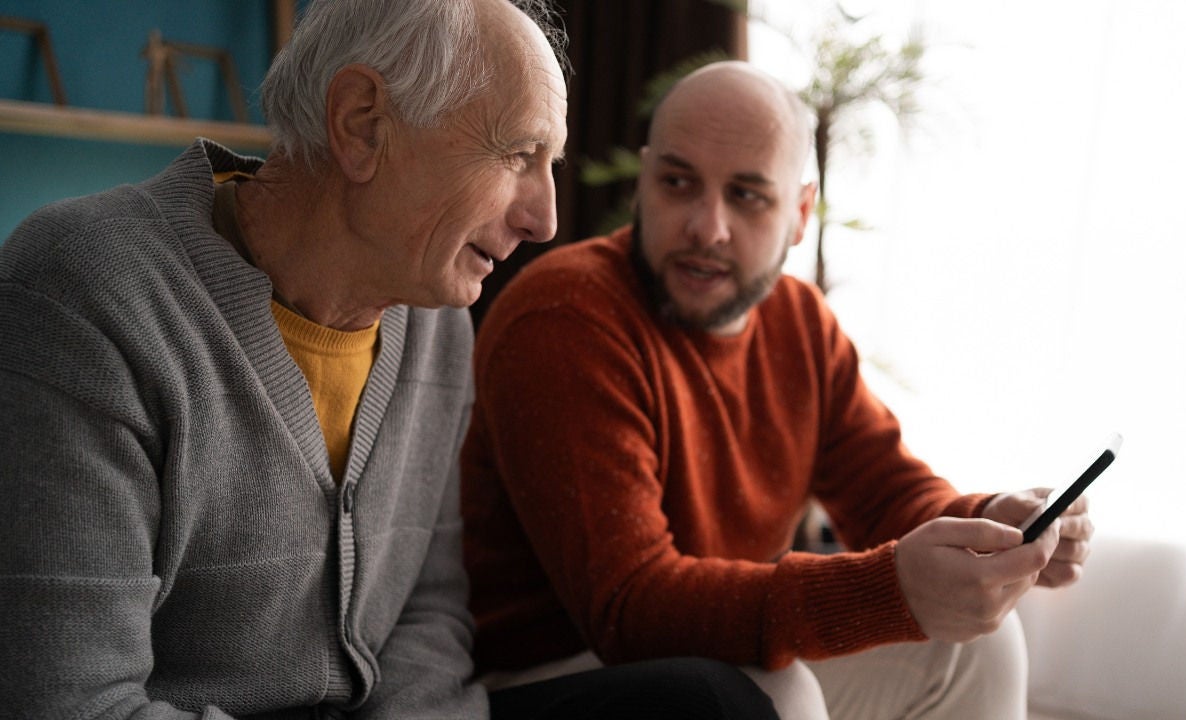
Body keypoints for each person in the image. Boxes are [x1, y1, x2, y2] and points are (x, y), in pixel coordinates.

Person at [0, 4, 780, 719]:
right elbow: (70, 701)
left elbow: (427, 611)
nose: (543, 219)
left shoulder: (437, 321)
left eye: (552, 165)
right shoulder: (84, 291)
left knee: (713, 703)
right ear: (362, 123)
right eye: (518, 153)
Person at [461, 60, 1095, 719]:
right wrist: (888, 588)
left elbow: (888, 493)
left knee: (977, 650)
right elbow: (630, 606)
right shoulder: (567, 316)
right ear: (646, 180)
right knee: (776, 695)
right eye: (678, 183)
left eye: (746, 194)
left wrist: (990, 523)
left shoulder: (800, 322)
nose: (707, 227)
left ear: (799, 213)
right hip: (540, 676)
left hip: (697, 648)